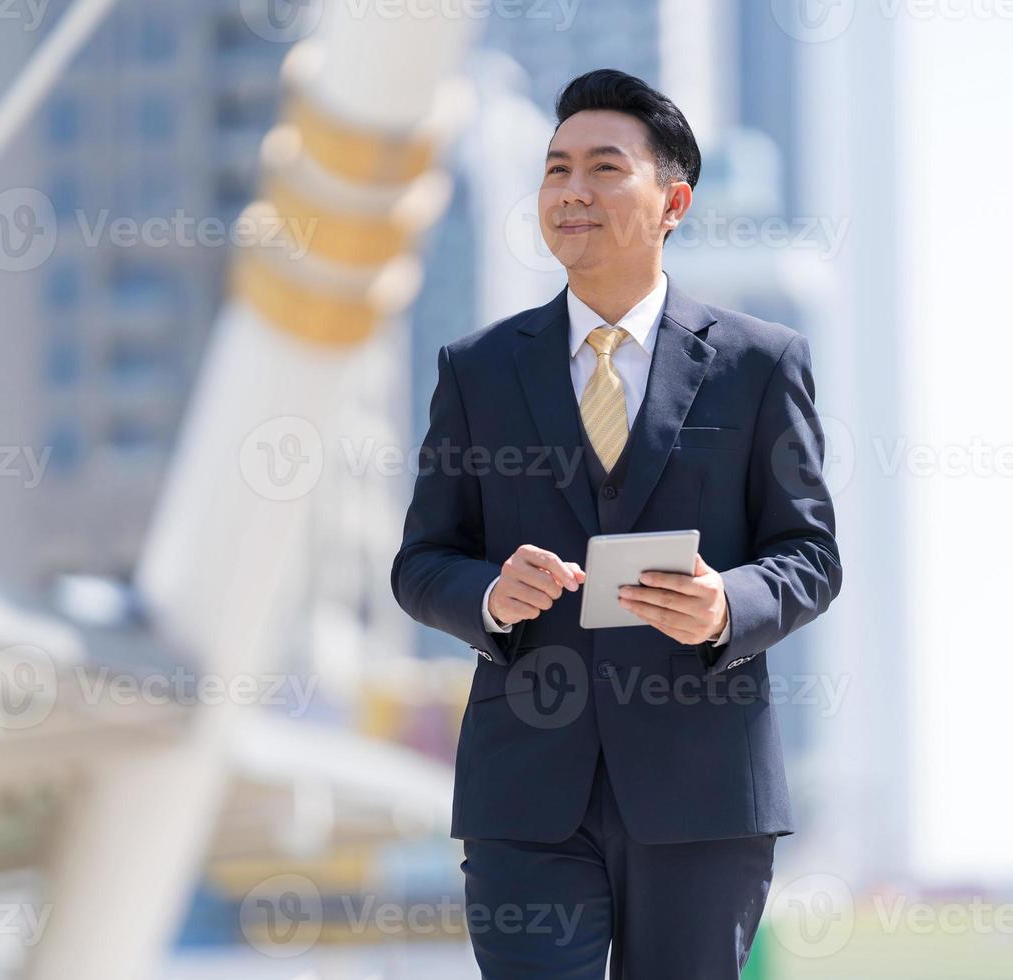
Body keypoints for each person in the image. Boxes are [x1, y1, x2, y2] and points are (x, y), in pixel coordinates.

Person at [390, 67, 842, 979]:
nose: (572, 191)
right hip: (525, 790)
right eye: (556, 170)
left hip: (703, 795)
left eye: (604, 167)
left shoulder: (759, 365)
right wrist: (487, 594)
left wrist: (727, 605)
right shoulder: (476, 370)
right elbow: (421, 562)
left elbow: (809, 555)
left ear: (672, 201)